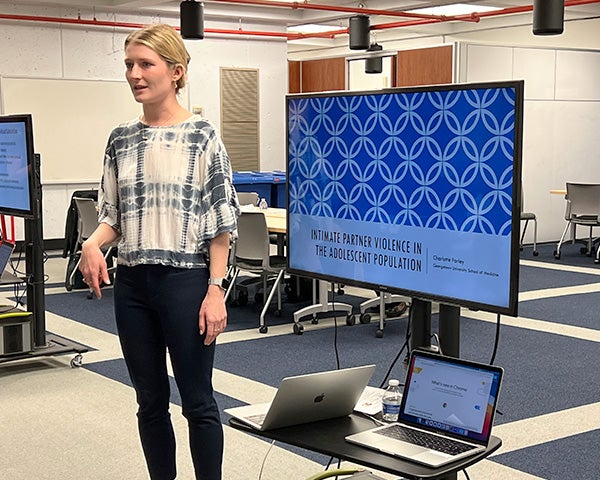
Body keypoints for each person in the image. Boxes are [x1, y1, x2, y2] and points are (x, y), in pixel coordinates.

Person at [79, 23, 239, 480]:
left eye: (145, 64)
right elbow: (114, 215)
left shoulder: (202, 136)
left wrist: (215, 289)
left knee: (198, 401)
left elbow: (220, 222)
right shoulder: (120, 138)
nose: (134, 74)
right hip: (133, 285)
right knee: (148, 402)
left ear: (176, 71)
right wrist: (93, 243)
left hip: (186, 283)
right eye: (129, 64)